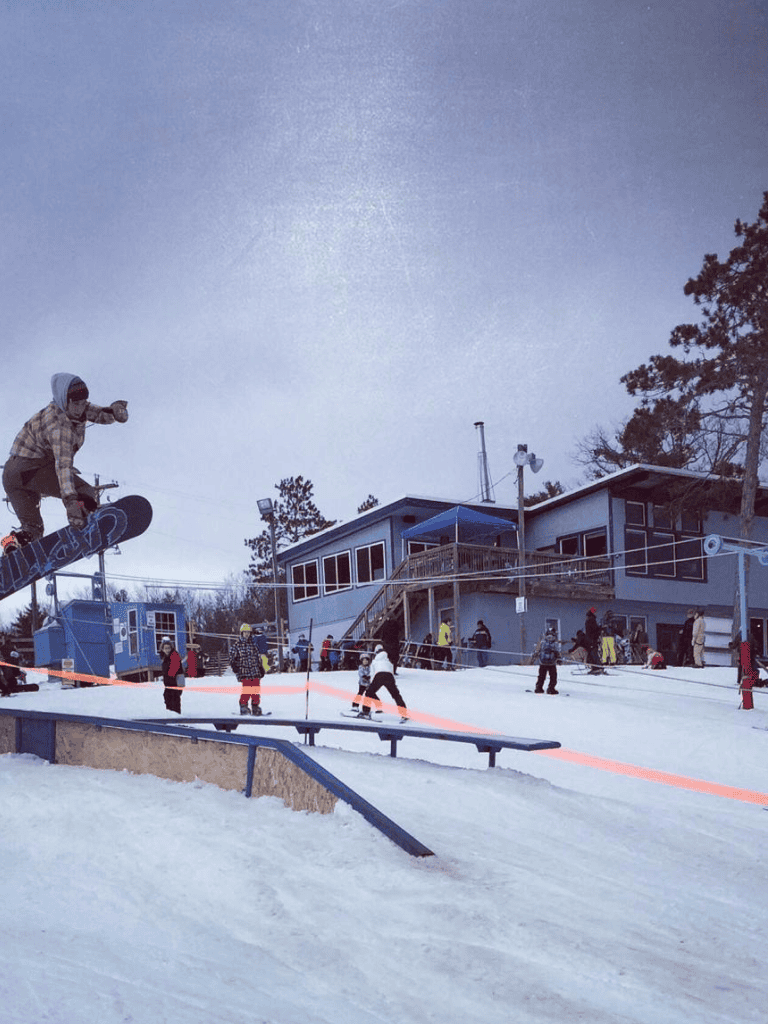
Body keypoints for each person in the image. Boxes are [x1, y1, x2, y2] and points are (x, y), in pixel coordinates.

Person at [1, 374, 129, 551]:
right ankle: (86, 527)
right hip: (29, 470)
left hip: (10, 475)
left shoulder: (73, 407)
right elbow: (63, 467)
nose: (79, 409)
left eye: (83, 402)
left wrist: (115, 412)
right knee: (84, 491)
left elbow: (98, 413)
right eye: (75, 404)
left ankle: (9, 544)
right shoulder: (60, 427)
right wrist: (71, 504)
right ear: (65, 401)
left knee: (33, 530)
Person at [359, 644, 408, 721]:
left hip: (379, 675)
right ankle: (404, 713)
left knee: (368, 693)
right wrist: (393, 684)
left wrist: (371, 685)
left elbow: (372, 674)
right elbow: (392, 672)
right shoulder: (388, 661)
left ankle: (365, 712)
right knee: (395, 695)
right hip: (389, 676)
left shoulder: (375, 661)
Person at [230, 623, 265, 715]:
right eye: (245, 632)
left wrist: (260, 667)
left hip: (254, 670)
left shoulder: (253, 645)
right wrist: (234, 665)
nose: (247, 634)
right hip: (244, 671)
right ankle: (243, 706)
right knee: (247, 690)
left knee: (256, 689)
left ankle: (255, 706)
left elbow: (258, 657)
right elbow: (232, 657)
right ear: (241, 633)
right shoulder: (237, 645)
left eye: (248, 632)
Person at [160, 637, 184, 714]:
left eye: (168, 648)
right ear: (162, 649)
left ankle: (176, 716)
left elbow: (173, 670)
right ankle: (171, 714)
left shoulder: (174, 655)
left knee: (174, 699)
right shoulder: (165, 657)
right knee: (168, 698)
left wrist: (168, 679)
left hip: (175, 682)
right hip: (169, 683)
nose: (167, 650)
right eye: (165, 648)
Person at [533, 628, 560, 694]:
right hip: (552, 663)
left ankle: (539, 688)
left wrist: (535, 655)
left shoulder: (542, 642)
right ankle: (551, 688)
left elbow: (537, 651)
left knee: (541, 676)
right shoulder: (555, 643)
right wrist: (559, 659)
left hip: (543, 662)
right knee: (553, 676)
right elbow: (557, 652)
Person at [584, 607, 603, 674]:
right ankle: (597, 667)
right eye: (595, 612)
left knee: (592, 653)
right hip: (592, 639)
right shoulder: (592, 620)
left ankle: (595, 667)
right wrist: (600, 629)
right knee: (594, 653)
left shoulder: (589, 619)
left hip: (589, 639)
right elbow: (594, 630)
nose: (596, 613)